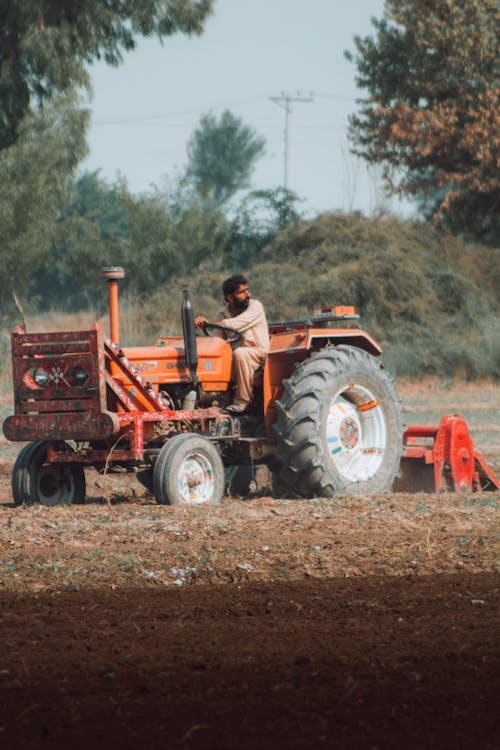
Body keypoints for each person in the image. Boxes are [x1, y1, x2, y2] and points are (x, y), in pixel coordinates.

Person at [195, 274, 269, 414]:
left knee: (240, 353)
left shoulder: (255, 307)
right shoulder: (221, 314)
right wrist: (202, 327)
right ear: (229, 297)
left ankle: (242, 402)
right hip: (236, 359)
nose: (248, 294)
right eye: (242, 292)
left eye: (247, 290)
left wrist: (209, 324)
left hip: (260, 355)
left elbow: (236, 324)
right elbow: (218, 342)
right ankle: (209, 400)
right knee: (213, 361)